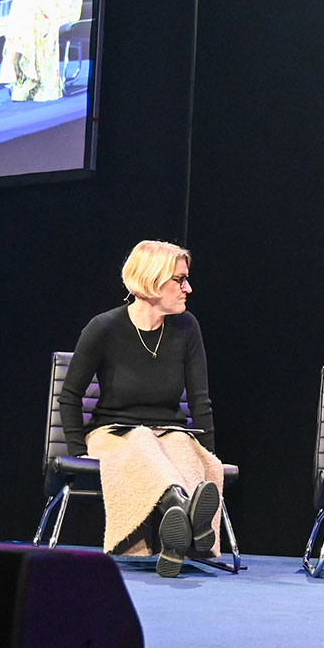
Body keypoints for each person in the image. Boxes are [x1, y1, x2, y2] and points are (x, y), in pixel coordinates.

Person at [57, 240, 224, 577]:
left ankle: (180, 529)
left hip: (169, 431)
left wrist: (207, 454)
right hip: (115, 434)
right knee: (142, 443)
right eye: (179, 280)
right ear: (151, 279)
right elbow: (70, 396)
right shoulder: (104, 327)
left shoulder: (187, 327)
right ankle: (186, 518)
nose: (188, 288)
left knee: (182, 448)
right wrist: (79, 452)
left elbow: (200, 400)